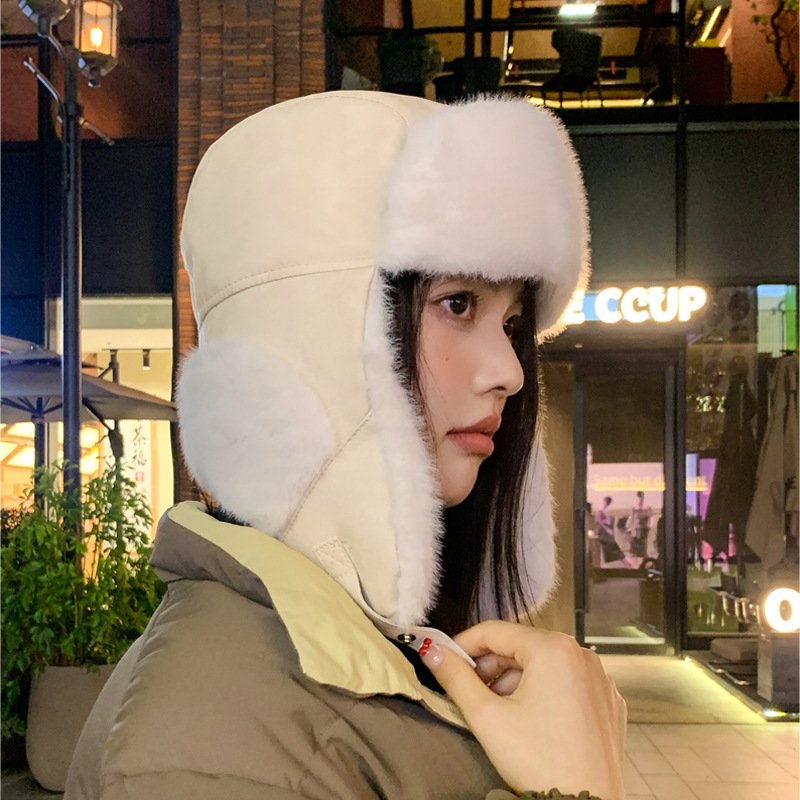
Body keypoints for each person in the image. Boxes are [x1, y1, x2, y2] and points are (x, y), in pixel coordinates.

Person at [65, 91, 626, 800]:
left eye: (512, 323)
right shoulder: (214, 753)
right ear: (318, 339)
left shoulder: (368, 650)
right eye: (457, 303)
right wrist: (579, 790)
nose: (510, 372)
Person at [596, 496, 627, 565]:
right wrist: (607, 529)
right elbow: (599, 521)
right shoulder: (600, 510)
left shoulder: (602, 510)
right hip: (604, 533)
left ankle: (627, 564)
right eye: (609, 502)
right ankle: (628, 564)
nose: (609, 504)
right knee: (615, 550)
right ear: (607, 502)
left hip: (605, 532)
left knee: (615, 551)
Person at [629, 491, 653, 558]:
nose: (641, 498)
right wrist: (631, 527)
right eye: (640, 496)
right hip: (638, 525)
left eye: (642, 496)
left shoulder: (647, 507)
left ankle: (644, 553)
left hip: (645, 525)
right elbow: (632, 517)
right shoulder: (635, 507)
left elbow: (651, 517)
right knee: (638, 539)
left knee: (644, 539)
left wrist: (650, 524)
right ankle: (638, 553)